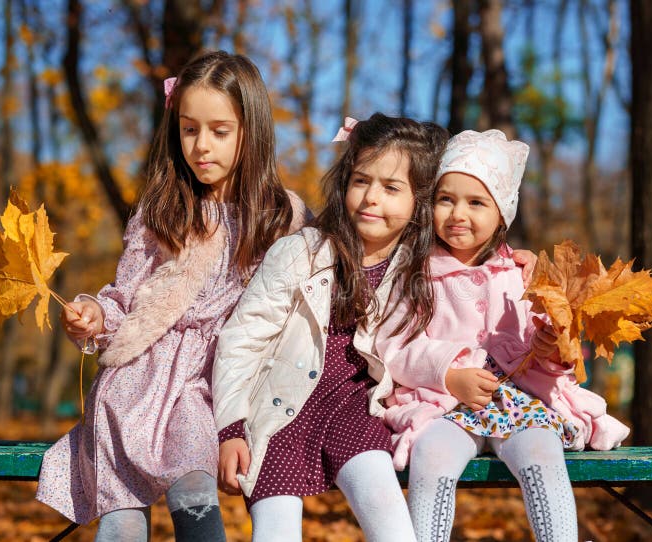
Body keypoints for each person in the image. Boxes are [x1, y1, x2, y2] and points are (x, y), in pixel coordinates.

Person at [36, 50, 308, 542]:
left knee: (194, 487)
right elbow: (126, 298)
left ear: (253, 130)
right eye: (188, 129)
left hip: (212, 382)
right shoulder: (163, 209)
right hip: (141, 379)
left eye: (220, 131)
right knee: (121, 513)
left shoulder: (280, 217)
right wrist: (96, 315)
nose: (201, 146)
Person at [375, 129, 630, 542]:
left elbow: (548, 350)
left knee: (542, 456)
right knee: (432, 456)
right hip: (448, 404)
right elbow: (393, 347)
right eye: (446, 199)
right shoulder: (415, 274)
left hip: (520, 402)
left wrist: (550, 349)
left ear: (502, 213)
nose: (458, 213)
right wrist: (448, 374)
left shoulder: (522, 275)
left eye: (476, 202)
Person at [213, 113, 452, 542]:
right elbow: (240, 342)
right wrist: (231, 428)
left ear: (421, 201)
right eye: (361, 180)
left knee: (393, 525)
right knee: (275, 533)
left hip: (355, 413)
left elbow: (480, 264)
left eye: (392, 187)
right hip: (280, 412)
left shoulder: (420, 269)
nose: (370, 197)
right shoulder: (299, 253)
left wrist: (512, 256)